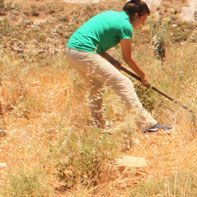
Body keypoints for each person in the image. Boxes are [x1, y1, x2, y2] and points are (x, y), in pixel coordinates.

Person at [65, 0, 170, 133]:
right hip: (83, 52)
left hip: (72, 51)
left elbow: (96, 42)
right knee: (123, 83)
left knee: (96, 86)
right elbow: (127, 58)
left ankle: (98, 126)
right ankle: (148, 126)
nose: (143, 23)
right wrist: (143, 76)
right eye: (144, 19)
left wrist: (112, 60)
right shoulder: (126, 26)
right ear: (136, 15)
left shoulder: (111, 15)